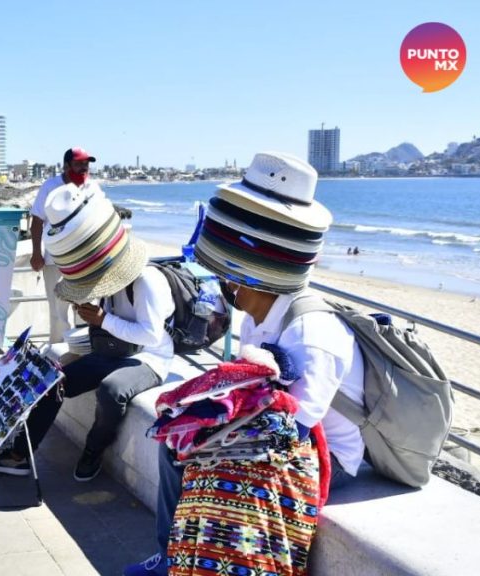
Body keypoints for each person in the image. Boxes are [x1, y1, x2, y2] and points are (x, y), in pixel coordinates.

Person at [125, 152, 364, 576]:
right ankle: (172, 555)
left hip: (329, 455)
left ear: (241, 276)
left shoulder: (310, 334)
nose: (217, 282)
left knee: (206, 464)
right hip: (277, 431)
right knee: (175, 446)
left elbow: (296, 429)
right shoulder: (257, 315)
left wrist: (214, 440)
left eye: (222, 275)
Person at [0, 182, 175, 481]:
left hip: (149, 358)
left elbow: (151, 335)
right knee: (53, 381)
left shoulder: (146, 281)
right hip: (115, 350)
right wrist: (90, 319)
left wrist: (102, 321)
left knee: (112, 392)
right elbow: (106, 327)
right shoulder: (107, 282)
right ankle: (22, 453)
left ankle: (94, 450)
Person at [29, 148, 98, 343]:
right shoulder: (50, 186)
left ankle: (85, 351)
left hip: (85, 259)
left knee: (87, 306)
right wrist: (36, 254)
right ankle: (59, 353)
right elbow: (36, 220)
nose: (84, 168)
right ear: (66, 166)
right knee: (58, 311)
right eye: (79, 164)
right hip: (55, 259)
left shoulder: (91, 186)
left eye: (86, 164)